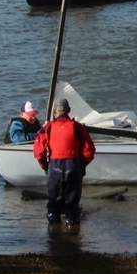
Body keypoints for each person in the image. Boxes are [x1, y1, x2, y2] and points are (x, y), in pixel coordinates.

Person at [32, 97, 96, 227]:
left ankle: (53, 231)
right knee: (72, 206)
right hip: (74, 166)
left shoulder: (48, 128)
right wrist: (81, 166)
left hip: (55, 167)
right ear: (69, 110)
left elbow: (39, 153)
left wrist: (45, 166)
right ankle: (73, 230)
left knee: (53, 205)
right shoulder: (78, 127)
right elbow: (89, 152)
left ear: (54, 112)